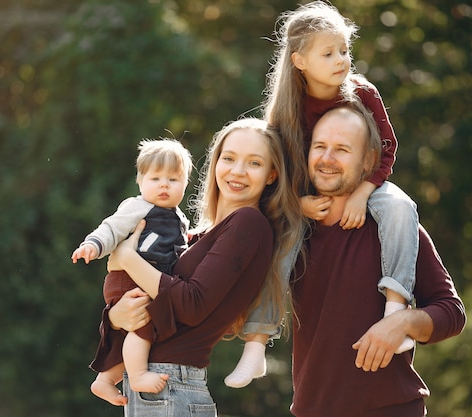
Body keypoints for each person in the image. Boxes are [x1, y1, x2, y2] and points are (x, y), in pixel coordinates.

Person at [225, 0, 419, 388]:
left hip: (363, 184)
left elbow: (387, 148)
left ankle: (394, 310)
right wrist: (297, 203)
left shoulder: (362, 93)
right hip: (306, 196)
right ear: (299, 61)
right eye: (328, 53)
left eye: (345, 50)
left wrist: (363, 193)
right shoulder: (286, 111)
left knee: (401, 206)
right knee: (280, 236)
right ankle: (256, 345)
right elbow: (276, 171)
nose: (341, 60)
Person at [103, 118, 302, 416]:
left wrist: (127, 258)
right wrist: (116, 317)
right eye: (229, 158)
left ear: (272, 175)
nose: (237, 171)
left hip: (172, 385)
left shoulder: (248, 223)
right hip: (157, 386)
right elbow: (147, 301)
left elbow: (191, 304)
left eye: (254, 163)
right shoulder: (197, 237)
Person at [291, 103, 466, 416]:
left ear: (368, 160)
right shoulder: (291, 234)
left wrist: (402, 322)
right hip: (310, 409)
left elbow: (451, 312)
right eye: (320, 147)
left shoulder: (393, 227)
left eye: (342, 149)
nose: (327, 159)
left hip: (392, 409)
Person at [71, 139, 193, 405]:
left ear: (185, 184)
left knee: (144, 329)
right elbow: (111, 228)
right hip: (128, 277)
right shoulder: (137, 207)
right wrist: (93, 245)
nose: (164, 184)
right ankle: (136, 376)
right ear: (140, 181)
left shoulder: (180, 219)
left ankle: (105, 380)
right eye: (155, 178)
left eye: (173, 179)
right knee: (143, 326)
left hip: (148, 280)